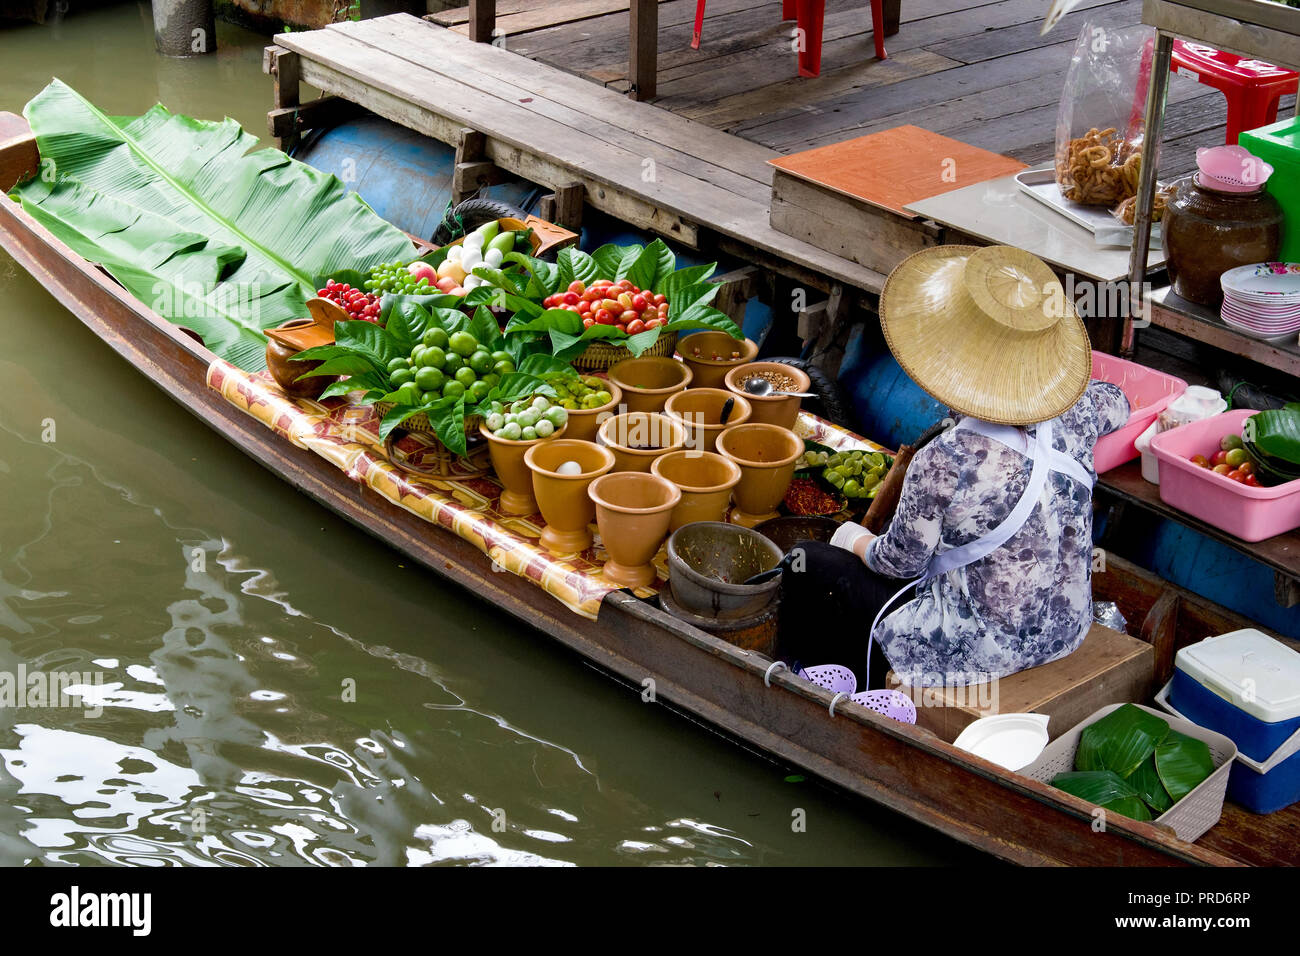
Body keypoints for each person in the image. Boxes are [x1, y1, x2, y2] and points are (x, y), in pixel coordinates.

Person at [777, 245, 1130, 691]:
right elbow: (1119, 401)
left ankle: (830, 686)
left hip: (978, 651)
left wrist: (855, 538)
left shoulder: (946, 459)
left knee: (806, 562)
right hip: (1065, 629)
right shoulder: (1079, 410)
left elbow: (899, 563)